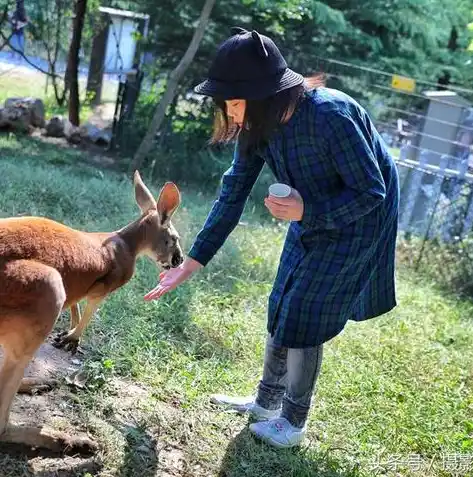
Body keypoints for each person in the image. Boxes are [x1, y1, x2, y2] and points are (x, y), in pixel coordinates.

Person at [144, 28, 400, 449]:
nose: (230, 113)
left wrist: (308, 211)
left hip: (361, 216)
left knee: (305, 310)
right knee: (282, 299)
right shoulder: (255, 129)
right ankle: (266, 402)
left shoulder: (331, 116)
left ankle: (294, 422)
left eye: (236, 102)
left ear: (267, 95)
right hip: (309, 209)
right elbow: (232, 195)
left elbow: (372, 191)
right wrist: (189, 264)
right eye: (226, 103)